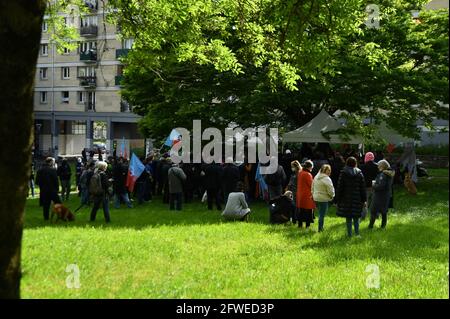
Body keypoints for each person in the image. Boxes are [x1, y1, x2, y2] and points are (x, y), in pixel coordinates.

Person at [335, 157, 367, 237]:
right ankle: (357, 233)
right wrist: (364, 200)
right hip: (357, 198)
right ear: (355, 163)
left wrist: (337, 199)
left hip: (346, 199)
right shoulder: (359, 173)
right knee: (356, 217)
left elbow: (340, 187)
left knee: (348, 217)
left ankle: (349, 234)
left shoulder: (343, 173)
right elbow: (362, 188)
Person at [369, 160, 395, 229]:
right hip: (386, 195)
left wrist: (374, 185)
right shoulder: (389, 174)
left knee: (373, 210)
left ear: (382, 166)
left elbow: (381, 186)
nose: (377, 166)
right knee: (384, 211)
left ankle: (370, 226)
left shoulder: (383, 175)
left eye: (379, 165)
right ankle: (383, 227)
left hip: (379, 195)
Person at [312, 164, 335, 232]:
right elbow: (330, 189)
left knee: (320, 213)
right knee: (322, 214)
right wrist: (332, 196)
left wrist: (313, 194)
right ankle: (320, 229)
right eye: (328, 170)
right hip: (323, 198)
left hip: (316, 198)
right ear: (324, 170)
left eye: (330, 170)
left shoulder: (316, 177)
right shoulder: (327, 179)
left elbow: (312, 186)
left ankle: (320, 227)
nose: (329, 172)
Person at [297, 160, 315, 229]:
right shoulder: (308, 174)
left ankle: (300, 225)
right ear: (309, 167)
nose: (312, 168)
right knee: (308, 211)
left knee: (301, 211)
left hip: (300, 194)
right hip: (307, 195)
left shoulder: (300, 172)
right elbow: (311, 185)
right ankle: (307, 226)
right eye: (312, 167)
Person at [360, 152, 379, 218]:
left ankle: (363, 216)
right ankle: (375, 216)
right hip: (375, 186)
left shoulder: (362, 167)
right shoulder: (377, 166)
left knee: (365, 202)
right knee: (375, 202)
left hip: (365, 186)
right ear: (373, 158)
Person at [287, 160, 302, 224]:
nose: (291, 168)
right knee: (293, 206)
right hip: (292, 191)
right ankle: (294, 219)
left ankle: (296, 219)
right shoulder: (294, 173)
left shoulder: (299, 174)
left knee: (295, 206)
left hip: (296, 192)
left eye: (292, 166)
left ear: (296, 166)